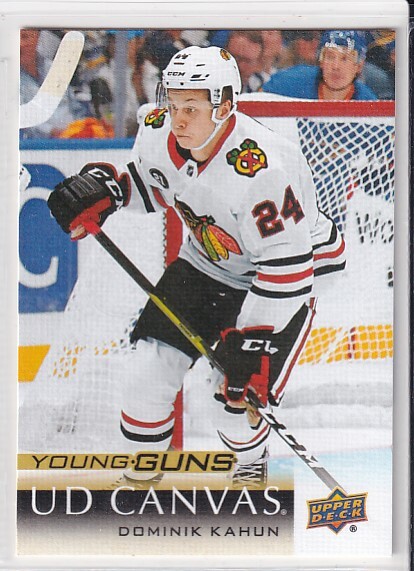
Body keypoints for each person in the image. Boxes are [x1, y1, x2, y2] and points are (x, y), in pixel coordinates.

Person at [47, 46, 346, 489]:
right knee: (145, 378)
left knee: (234, 405)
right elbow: (155, 185)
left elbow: (286, 267)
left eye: (191, 108)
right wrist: (113, 190)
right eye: (173, 104)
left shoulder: (262, 169)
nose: (178, 119)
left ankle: (251, 475)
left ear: (223, 107)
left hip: (288, 277)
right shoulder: (157, 129)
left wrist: (252, 342)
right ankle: (141, 483)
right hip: (207, 264)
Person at [262, 30, 378, 100]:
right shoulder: (292, 80)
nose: (336, 66)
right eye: (330, 57)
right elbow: (257, 99)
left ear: (359, 66)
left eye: (345, 59)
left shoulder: (368, 103)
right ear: (321, 61)